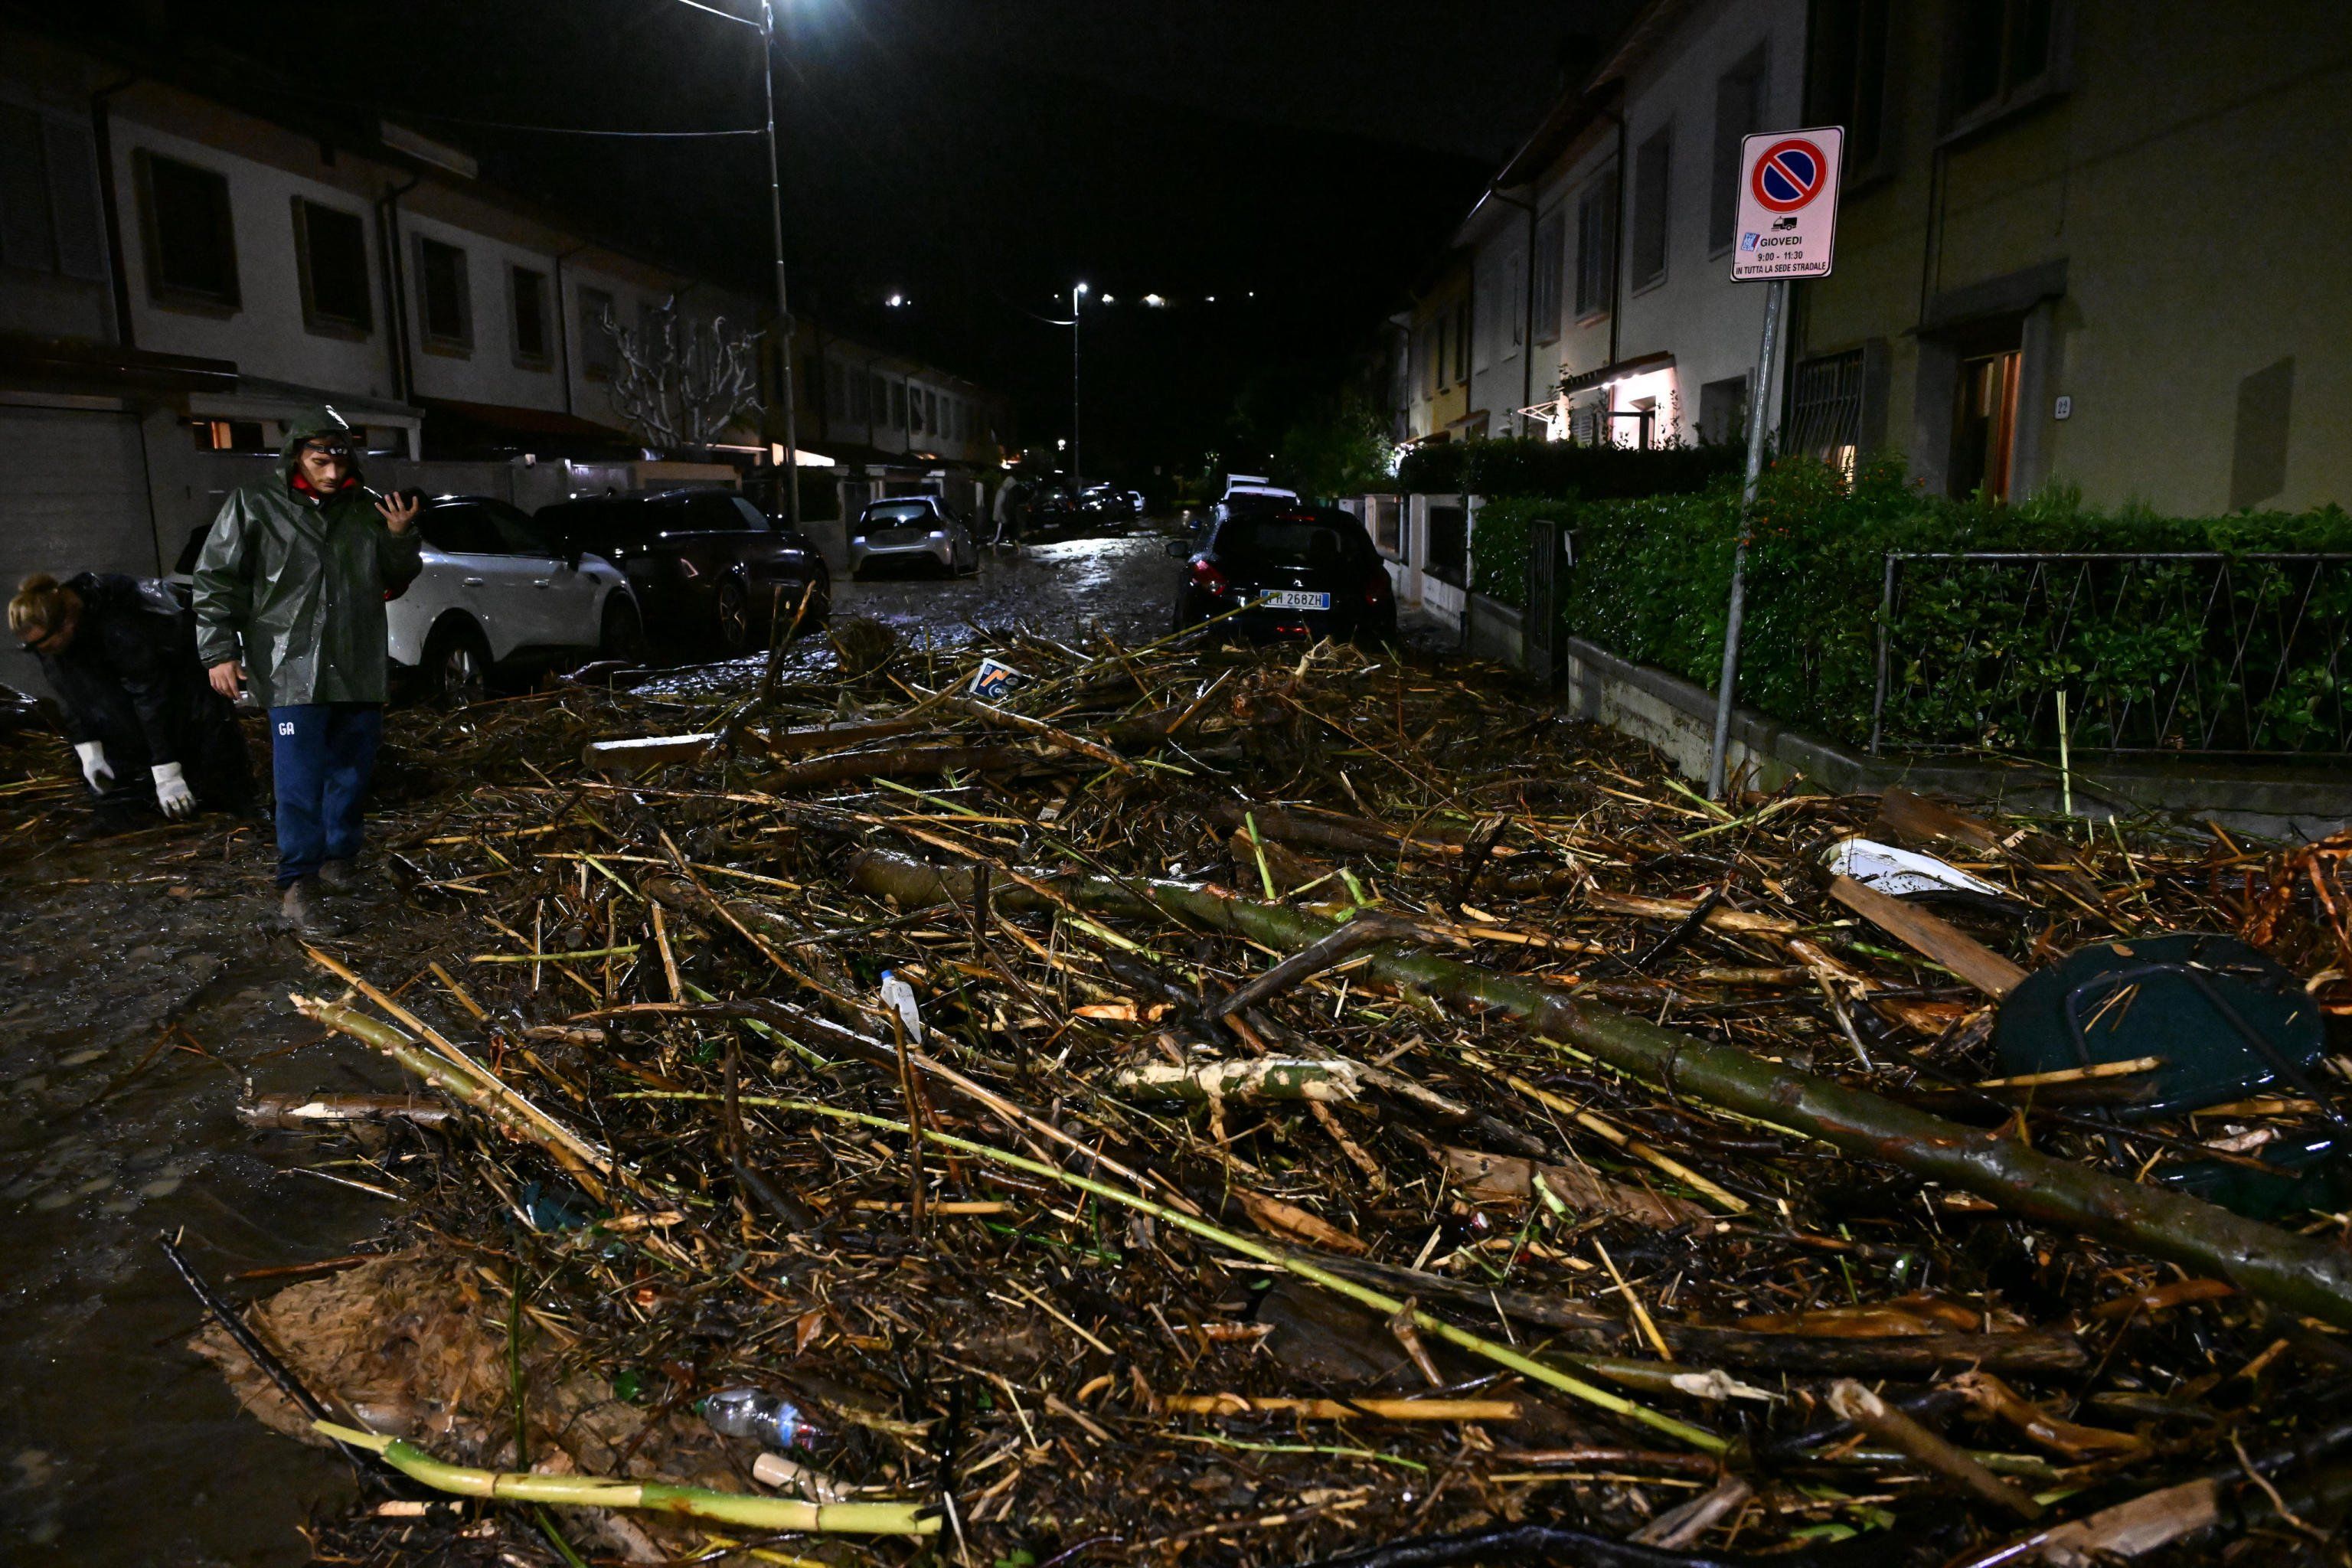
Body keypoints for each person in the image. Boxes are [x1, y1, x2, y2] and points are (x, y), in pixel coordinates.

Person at [190, 407, 420, 935]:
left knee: (352, 771)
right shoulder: (255, 504)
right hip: (289, 664)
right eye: (321, 462)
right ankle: (298, 883)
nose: (333, 473)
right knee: (298, 781)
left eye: (340, 461)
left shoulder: (366, 509)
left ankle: (340, 861)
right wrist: (218, 650)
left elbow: (395, 579)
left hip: (356, 662)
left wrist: (398, 536)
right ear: (297, 456)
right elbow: (216, 578)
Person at [9, 571, 254, 835]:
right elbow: (71, 694)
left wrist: (166, 768)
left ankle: (236, 815)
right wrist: (88, 749)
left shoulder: (121, 616)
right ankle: (129, 817)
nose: (42, 653)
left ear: (66, 622)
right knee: (125, 778)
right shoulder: (54, 643)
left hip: (182, 689)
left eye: (45, 646)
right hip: (133, 703)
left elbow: (151, 695)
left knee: (211, 758)